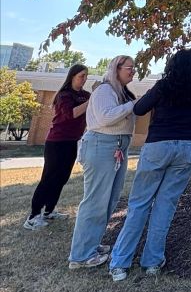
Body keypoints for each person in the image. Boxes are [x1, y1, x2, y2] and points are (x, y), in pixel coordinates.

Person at [109, 49, 191, 281]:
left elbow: (139, 108)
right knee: (166, 205)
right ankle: (152, 262)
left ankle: (120, 263)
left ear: (172, 65)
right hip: (186, 147)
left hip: (158, 145)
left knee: (139, 203)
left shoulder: (164, 86)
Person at [68, 56, 137, 269]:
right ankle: (80, 256)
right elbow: (106, 117)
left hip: (116, 148)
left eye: (134, 68)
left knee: (109, 199)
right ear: (116, 69)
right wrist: (132, 106)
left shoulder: (120, 91)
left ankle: (92, 244)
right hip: (102, 146)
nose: (133, 71)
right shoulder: (105, 90)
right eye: (129, 68)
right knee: (95, 200)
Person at [24, 64, 90, 230]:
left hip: (73, 141)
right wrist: (92, 100)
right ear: (72, 76)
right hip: (57, 142)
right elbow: (71, 114)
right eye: (81, 76)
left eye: (86, 76)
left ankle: (49, 211)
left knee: (62, 177)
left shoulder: (85, 95)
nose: (84, 79)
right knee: (49, 177)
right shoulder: (64, 95)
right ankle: (33, 216)